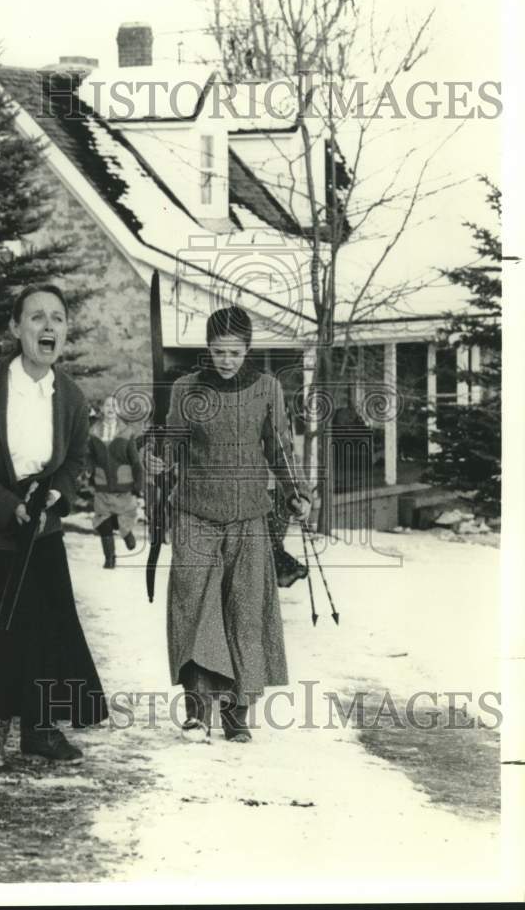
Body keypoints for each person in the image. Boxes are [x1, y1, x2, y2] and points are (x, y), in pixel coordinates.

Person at [0, 283, 108, 766]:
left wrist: (54, 496)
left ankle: (40, 728)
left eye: (57, 317)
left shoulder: (71, 397)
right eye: (36, 317)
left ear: (66, 330)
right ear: (16, 328)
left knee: (43, 623)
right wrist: (4, 507)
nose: (48, 326)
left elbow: (74, 459)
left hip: (38, 524)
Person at [144, 306, 310, 744]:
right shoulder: (186, 389)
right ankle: (197, 709)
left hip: (250, 515)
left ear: (248, 350)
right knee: (193, 607)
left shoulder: (267, 389)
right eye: (218, 351)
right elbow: (171, 446)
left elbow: (279, 448)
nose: (226, 360)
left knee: (244, 611)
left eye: (235, 352)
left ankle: (238, 712)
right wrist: (156, 457)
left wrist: (296, 492)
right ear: (208, 348)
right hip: (195, 512)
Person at [87, 395, 144, 569]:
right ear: (102, 409)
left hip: (123, 486)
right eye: (107, 405)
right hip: (102, 484)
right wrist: (89, 471)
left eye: (114, 405)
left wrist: (138, 485)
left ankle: (126, 533)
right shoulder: (93, 432)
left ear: (118, 410)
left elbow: (135, 461)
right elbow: (90, 456)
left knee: (125, 516)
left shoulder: (127, 432)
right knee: (102, 522)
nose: (110, 408)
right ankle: (109, 559)